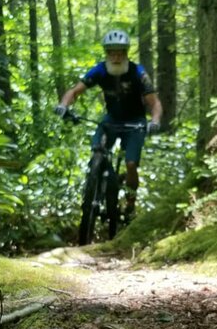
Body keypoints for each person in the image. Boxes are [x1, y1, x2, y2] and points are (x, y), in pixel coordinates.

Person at [55, 29, 162, 218]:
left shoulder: (138, 73)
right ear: (107, 53)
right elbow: (75, 91)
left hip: (135, 122)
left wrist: (154, 121)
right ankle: (98, 182)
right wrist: (64, 105)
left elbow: (154, 103)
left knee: (130, 164)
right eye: (112, 52)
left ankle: (130, 202)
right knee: (98, 149)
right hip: (111, 119)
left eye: (120, 52)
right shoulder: (100, 70)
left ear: (126, 53)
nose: (116, 56)